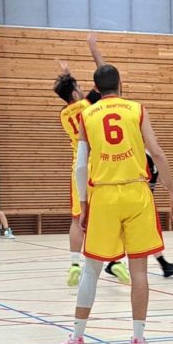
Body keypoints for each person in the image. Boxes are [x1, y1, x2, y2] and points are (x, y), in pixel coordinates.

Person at [55, 64, 173, 344]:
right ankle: (138, 341)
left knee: (91, 270)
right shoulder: (137, 110)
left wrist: (83, 204)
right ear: (119, 84)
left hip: (104, 195)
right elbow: (157, 152)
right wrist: (172, 191)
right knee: (139, 271)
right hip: (137, 193)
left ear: (96, 88)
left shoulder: (87, 114)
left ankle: (76, 340)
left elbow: (81, 166)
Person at [54, 34, 112, 286]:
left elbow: (70, 92)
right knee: (106, 215)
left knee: (77, 219)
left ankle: (75, 263)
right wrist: (93, 49)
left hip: (77, 167)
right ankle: (114, 260)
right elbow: (104, 77)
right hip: (98, 166)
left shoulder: (64, 114)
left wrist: (66, 74)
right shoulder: (89, 104)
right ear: (76, 92)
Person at [105, 151, 173, 279]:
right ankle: (164, 265)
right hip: (135, 202)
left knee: (145, 233)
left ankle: (113, 263)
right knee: (147, 233)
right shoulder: (135, 154)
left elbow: (158, 176)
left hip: (144, 202)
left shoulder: (150, 155)